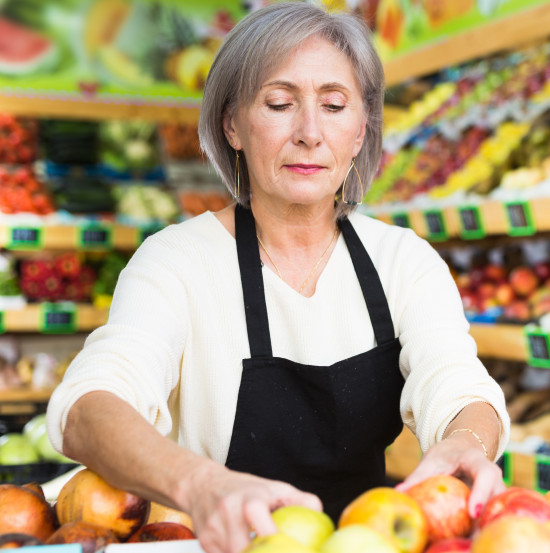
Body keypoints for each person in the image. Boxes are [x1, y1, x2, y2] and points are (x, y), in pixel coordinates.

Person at [45, 4, 508, 553]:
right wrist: (200, 484)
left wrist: (467, 441)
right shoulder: (176, 262)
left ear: (360, 132)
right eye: (279, 103)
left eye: (334, 106)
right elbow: (90, 406)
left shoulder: (403, 261)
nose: (310, 133)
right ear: (232, 125)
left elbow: (456, 382)